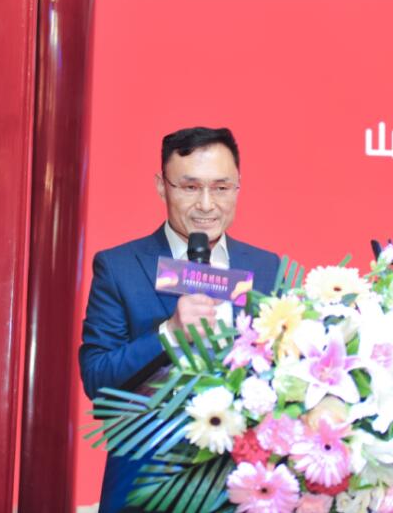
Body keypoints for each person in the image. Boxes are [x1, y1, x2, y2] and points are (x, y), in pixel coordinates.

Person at [79, 127, 280, 513]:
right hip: (148, 491)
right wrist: (168, 333)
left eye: (221, 188)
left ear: (238, 187)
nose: (206, 204)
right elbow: (97, 377)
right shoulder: (120, 267)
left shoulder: (266, 268)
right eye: (190, 187)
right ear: (162, 186)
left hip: (245, 490)